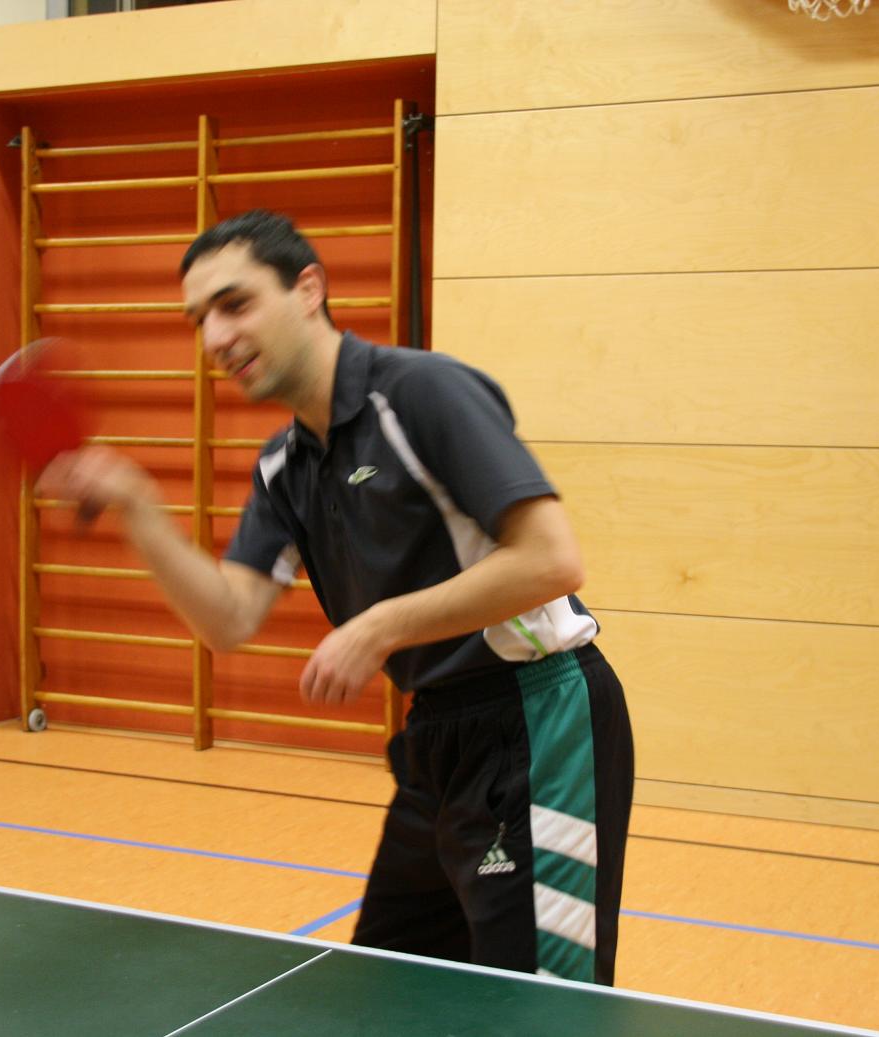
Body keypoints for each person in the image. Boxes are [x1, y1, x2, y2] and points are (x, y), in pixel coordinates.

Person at [39, 209, 634, 985]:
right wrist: (137, 506)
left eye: (235, 303)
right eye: (199, 319)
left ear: (309, 289)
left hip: (538, 716)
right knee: (389, 991)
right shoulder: (285, 464)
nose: (215, 336)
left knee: (537, 1007)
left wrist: (379, 626)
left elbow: (551, 559)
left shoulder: (420, 393)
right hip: (437, 737)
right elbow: (228, 618)